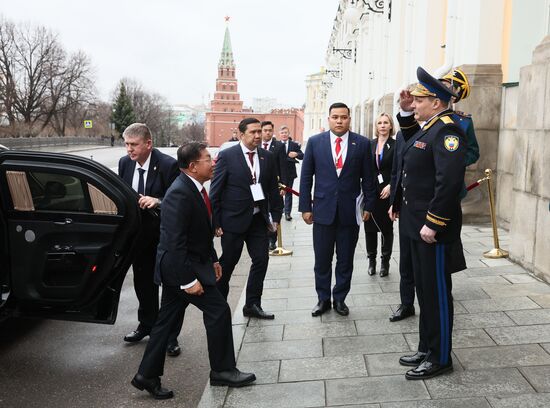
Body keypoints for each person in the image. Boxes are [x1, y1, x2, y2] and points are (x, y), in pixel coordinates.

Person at [131, 142, 255, 399]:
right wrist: (188, 281)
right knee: (219, 311)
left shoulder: (195, 188)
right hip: (180, 269)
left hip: (188, 264)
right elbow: (174, 242)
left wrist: (214, 260)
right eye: (208, 159)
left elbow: (200, 234)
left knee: (164, 323)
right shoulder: (180, 192)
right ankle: (223, 371)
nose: (213, 163)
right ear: (193, 166)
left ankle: (146, 375)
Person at [391, 67, 467, 380]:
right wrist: (405, 111)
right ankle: (426, 347)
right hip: (416, 225)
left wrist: (434, 223)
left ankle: (440, 357)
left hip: (432, 230)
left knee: (436, 293)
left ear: (435, 102)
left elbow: (447, 182)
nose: (416, 104)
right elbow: (410, 144)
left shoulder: (448, 131)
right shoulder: (430, 127)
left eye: (420, 100)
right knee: (424, 290)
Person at [299, 102, 377, 317]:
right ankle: (322, 299)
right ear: (329, 119)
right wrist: (305, 207)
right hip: (322, 211)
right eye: (335, 117)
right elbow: (306, 177)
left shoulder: (361, 144)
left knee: (345, 259)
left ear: (349, 119)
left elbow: (368, 179)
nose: (339, 121)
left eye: (343, 117)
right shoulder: (315, 143)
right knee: (322, 259)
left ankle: (340, 299)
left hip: (349, 213)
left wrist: (369, 205)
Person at [118, 123, 182, 357]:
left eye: (133, 145)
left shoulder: (167, 165)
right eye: (126, 144)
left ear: (148, 144)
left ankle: (170, 336)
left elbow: (177, 199)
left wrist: (158, 201)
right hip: (139, 237)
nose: (129, 149)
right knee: (143, 284)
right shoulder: (125, 164)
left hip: (163, 237)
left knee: (169, 288)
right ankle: (146, 325)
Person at [210, 117, 282, 319]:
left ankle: (252, 304)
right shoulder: (227, 156)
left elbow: (273, 191)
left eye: (260, 131)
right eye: (253, 132)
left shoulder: (267, 157)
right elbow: (215, 192)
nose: (258, 136)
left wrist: (275, 217)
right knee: (228, 263)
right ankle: (218, 306)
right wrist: (215, 222)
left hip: (258, 221)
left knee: (261, 259)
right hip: (232, 222)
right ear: (241, 134)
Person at [387, 129, 416, 323]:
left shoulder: (450, 126)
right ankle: (406, 304)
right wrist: (394, 202)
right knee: (405, 259)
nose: (415, 105)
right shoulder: (402, 134)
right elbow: (397, 169)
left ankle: (433, 301)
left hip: (430, 207)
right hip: (406, 207)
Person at [440, 68, 480, 197]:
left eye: (447, 86)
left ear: (455, 93)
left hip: (452, 185)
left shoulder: (464, 122)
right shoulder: (427, 116)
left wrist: (457, 161)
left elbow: (473, 152)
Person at [365, 113, 396, 278]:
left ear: (390, 126)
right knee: (369, 228)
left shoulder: (396, 145)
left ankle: (385, 261)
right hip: (371, 192)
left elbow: (398, 168)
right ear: (376, 127)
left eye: (386, 123)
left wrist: (391, 185)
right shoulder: (369, 144)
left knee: (386, 229)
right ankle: (372, 260)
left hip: (387, 192)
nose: (383, 126)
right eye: (380, 123)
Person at [260, 120, 288, 250]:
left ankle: (272, 239)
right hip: (259, 186)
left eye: (270, 130)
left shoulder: (278, 146)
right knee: (261, 211)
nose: (267, 133)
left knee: (274, 211)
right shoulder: (256, 145)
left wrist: (283, 186)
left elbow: (283, 166)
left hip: (274, 186)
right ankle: (262, 237)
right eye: (265, 130)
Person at [279, 125, 304, 221]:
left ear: (288, 134)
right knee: (279, 193)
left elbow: (303, 156)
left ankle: (287, 213)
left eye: (285, 132)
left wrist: (296, 154)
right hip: (279, 174)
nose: (284, 134)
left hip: (290, 173)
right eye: (282, 133)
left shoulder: (294, 145)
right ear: (279, 134)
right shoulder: (276, 144)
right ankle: (280, 210)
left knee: (289, 193)